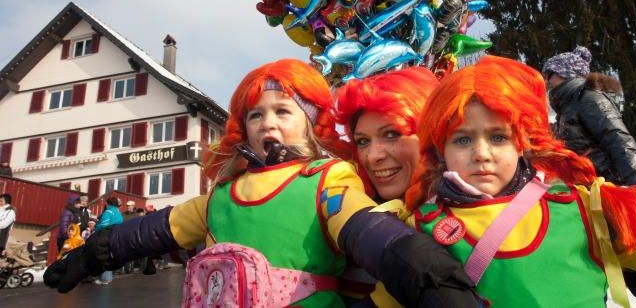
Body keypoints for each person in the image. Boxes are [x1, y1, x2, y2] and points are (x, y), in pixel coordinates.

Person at [44, 58, 477, 307]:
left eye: (283, 112)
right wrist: (94, 254)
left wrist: (424, 271)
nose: (267, 123)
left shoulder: (325, 179)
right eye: (256, 114)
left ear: (310, 127)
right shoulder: (222, 195)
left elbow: (366, 230)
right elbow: (155, 230)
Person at [405, 56, 636, 307]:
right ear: (440, 150)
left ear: (522, 144)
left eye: (498, 137)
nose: (481, 153)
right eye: (462, 140)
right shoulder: (420, 226)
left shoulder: (589, 208)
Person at [334, 66, 440, 305]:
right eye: (362, 141)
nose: (372, 156)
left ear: (431, 135)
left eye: (391, 134)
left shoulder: (467, 219)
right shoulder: (342, 222)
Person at [543, 45, 636, 186]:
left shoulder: (589, 98)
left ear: (566, 73)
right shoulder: (567, 107)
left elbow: (619, 141)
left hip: (609, 186)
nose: (546, 82)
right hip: (588, 187)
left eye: (549, 75)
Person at [94, 196, 123, 286]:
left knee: (104, 256)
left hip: (106, 235)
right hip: (116, 236)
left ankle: (105, 279)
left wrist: (96, 226)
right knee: (110, 256)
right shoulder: (118, 212)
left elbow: (104, 224)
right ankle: (107, 278)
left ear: (109, 203)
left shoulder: (108, 211)